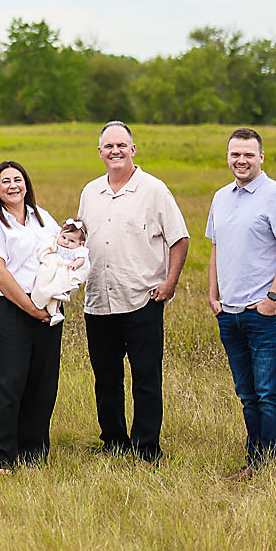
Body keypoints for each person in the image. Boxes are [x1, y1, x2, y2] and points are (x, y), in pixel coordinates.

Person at [75, 120, 190, 463]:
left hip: (142, 299)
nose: (115, 151)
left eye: (121, 145)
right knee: (106, 378)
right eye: (108, 146)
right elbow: (80, 240)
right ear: (100, 153)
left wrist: (169, 283)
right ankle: (113, 440)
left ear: (133, 149)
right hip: (99, 301)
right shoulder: (90, 192)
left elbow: (179, 238)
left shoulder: (153, 190)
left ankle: (146, 448)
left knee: (145, 378)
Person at [206, 127, 276, 480]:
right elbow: (216, 248)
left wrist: (272, 300)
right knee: (247, 394)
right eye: (235, 154)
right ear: (228, 156)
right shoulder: (221, 197)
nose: (241, 160)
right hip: (229, 313)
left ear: (261, 156)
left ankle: (271, 468)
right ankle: (255, 462)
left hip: (267, 314)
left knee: (268, 392)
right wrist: (213, 296)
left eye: (248, 154)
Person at [0, 160, 63, 471]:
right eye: (5, 181)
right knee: (8, 382)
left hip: (48, 308)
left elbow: (61, 253)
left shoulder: (43, 218)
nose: (13, 185)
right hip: (8, 309)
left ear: (26, 184)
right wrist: (30, 307)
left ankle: (33, 452)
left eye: (18, 179)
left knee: (43, 383)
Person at [32, 219, 90, 326]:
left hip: (65, 269)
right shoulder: (55, 244)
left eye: (72, 241)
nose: (66, 242)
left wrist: (75, 264)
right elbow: (47, 250)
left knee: (57, 292)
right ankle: (55, 311)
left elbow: (81, 259)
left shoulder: (78, 250)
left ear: (80, 243)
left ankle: (56, 311)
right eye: (63, 237)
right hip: (54, 268)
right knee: (48, 282)